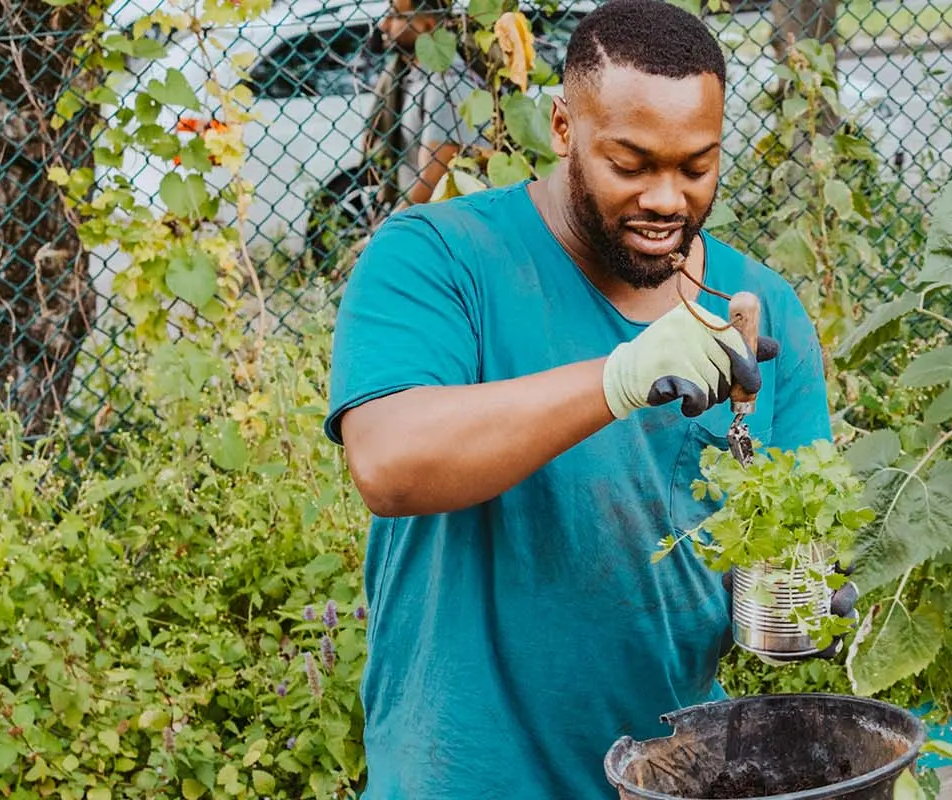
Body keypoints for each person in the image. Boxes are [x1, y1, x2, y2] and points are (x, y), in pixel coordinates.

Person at [324, 0, 832, 796]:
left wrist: (804, 579)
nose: (667, 197)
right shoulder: (440, 258)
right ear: (563, 127)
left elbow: (787, 538)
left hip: (671, 780)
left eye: (696, 166)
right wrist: (618, 377)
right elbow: (389, 462)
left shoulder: (761, 310)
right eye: (631, 163)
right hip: (466, 776)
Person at [375, 0, 486, 204]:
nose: (383, 24)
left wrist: (388, 229)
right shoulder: (413, 77)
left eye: (396, 15)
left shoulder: (445, 82)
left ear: (427, 25)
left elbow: (432, 179)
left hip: (437, 223)